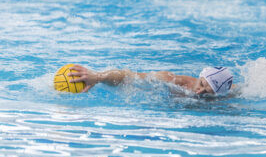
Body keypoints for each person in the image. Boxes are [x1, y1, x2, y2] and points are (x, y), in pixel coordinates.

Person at [68, 65, 234, 96]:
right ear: (201, 75)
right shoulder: (172, 80)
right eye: (202, 85)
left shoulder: (224, 93)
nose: (199, 92)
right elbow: (128, 76)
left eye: (207, 93)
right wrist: (98, 77)